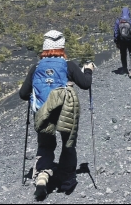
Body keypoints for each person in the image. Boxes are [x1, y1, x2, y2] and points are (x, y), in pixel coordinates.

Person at [19, 30, 94, 200]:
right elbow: (85, 84)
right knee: (68, 144)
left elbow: (23, 94)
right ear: (62, 47)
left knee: (45, 146)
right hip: (65, 111)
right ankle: (67, 181)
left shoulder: (36, 68)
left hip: (42, 113)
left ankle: (42, 178)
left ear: (44, 49)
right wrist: (88, 70)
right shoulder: (69, 65)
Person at [114, 6, 131, 77]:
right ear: (128, 12)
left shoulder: (118, 21)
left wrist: (116, 42)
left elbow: (116, 32)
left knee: (123, 55)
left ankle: (124, 69)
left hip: (122, 41)